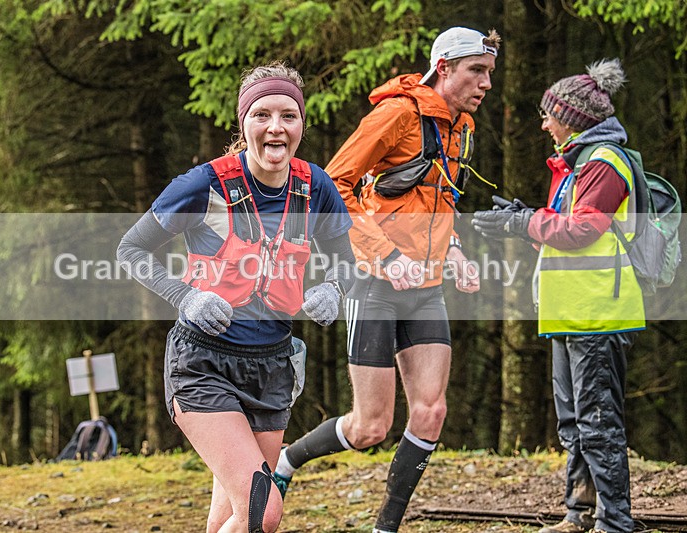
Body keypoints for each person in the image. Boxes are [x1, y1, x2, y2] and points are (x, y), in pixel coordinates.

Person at [273, 27, 500, 533]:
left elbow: (440, 199)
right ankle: (287, 460)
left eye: (489, 73)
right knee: (370, 427)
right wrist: (388, 254)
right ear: (444, 67)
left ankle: (386, 527)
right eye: (477, 71)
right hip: (375, 282)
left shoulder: (462, 127)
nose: (486, 83)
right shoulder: (398, 114)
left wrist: (455, 249)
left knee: (431, 412)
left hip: (426, 287)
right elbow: (331, 184)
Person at [117, 61, 355, 533]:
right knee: (263, 511)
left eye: (288, 116)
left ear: (301, 125)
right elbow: (130, 249)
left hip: (273, 367)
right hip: (202, 364)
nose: (275, 127)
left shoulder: (315, 187)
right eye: (262, 114)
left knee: (231, 516)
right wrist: (186, 297)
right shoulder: (202, 185)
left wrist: (334, 288)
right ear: (243, 123)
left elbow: (348, 261)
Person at [472, 58, 644, 533]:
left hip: (598, 313)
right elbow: (561, 231)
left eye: (549, 115)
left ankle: (615, 522)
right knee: (573, 421)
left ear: (572, 118)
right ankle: (579, 514)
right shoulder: (577, 164)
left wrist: (523, 222)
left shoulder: (604, 163)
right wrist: (524, 219)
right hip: (569, 311)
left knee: (597, 421)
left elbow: (582, 231)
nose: (544, 124)